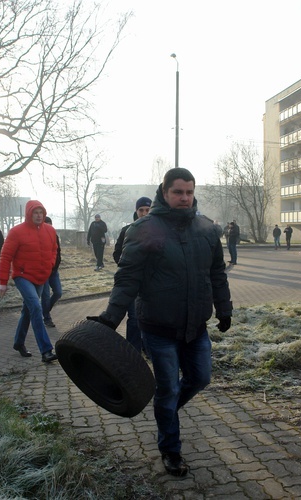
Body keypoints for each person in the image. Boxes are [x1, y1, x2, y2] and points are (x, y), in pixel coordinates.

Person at [90, 168, 232, 477]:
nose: (184, 198)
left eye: (189, 192)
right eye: (178, 192)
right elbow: (127, 279)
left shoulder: (207, 229)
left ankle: (165, 414)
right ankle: (171, 448)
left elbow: (217, 274)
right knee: (167, 390)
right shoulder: (144, 229)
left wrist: (225, 309)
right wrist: (111, 317)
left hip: (196, 327)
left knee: (201, 378)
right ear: (164, 193)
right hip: (158, 327)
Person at [0, 200, 58, 363]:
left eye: (41, 213)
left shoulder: (50, 231)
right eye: (35, 213)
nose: (38, 216)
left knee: (28, 310)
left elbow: (54, 250)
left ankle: (19, 342)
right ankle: (46, 350)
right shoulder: (16, 232)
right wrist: (3, 281)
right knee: (36, 307)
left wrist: (51, 264)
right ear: (29, 214)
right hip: (23, 276)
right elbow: (5, 256)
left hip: (41, 276)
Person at [112, 196, 151, 353]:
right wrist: (129, 268)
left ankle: (149, 349)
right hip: (133, 282)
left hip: (152, 282)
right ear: (136, 211)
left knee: (151, 318)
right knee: (134, 318)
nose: (144, 213)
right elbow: (117, 254)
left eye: (147, 210)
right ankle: (133, 352)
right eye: (141, 210)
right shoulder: (127, 231)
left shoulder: (160, 230)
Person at [41, 217, 62, 328]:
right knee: (45, 295)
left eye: (51, 225)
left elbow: (57, 253)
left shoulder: (55, 236)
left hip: (53, 270)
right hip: (44, 271)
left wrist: (56, 264)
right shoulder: (39, 237)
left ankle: (44, 310)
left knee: (58, 292)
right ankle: (47, 317)